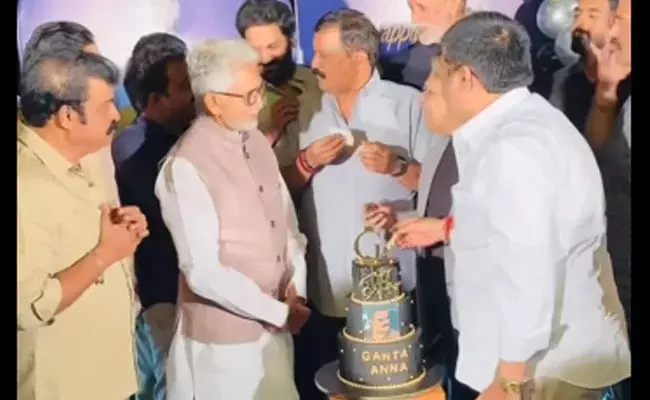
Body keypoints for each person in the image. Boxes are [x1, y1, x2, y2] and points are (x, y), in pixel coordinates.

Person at [390, 11, 631, 399]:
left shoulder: (514, 149)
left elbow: (528, 269)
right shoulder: (524, 124)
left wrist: (510, 379)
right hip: (538, 362)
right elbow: (515, 228)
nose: (427, 90)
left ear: (465, 78)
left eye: (435, 75)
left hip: (543, 371)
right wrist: (447, 229)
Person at [156, 38, 309, 400]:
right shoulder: (185, 165)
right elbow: (203, 272)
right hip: (223, 350)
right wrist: (277, 312)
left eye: (260, 90)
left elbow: (288, 226)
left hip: (277, 330)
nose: (260, 103)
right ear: (213, 102)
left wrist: (296, 290)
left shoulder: (256, 141)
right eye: (249, 96)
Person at [292, 9, 433, 398]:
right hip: (323, 288)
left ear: (358, 57)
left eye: (324, 55)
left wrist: (396, 166)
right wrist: (307, 162)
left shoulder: (409, 104)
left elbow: (439, 187)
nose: (313, 63)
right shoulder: (306, 109)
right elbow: (279, 187)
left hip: (394, 288)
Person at [18, 50, 148, 399]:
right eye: (107, 105)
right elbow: (28, 305)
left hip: (103, 373)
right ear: (67, 116)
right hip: (63, 386)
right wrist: (105, 255)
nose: (117, 115)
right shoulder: (26, 185)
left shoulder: (85, 159)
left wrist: (124, 231)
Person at [111, 32, 195, 400]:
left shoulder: (184, 138)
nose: (196, 93)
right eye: (184, 86)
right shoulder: (136, 152)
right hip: (164, 300)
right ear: (156, 100)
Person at [549, 0, 631, 370]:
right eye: (577, 12)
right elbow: (592, 158)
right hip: (600, 255)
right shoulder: (567, 81)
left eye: (594, 14)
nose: (579, 23)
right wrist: (605, 96)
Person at [236, 0, 322, 187]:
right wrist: (271, 133)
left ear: (291, 41)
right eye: (255, 49)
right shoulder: (232, 98)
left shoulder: (318, 82)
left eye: (273, 47)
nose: (265, 58)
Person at [380, 0, 466, 90]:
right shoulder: (395, 57)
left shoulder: (470, 59)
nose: (414, 19)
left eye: (422, 8)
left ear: (453, 4)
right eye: (412, 9)